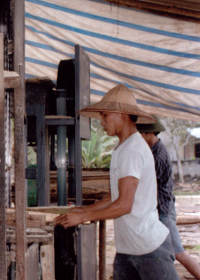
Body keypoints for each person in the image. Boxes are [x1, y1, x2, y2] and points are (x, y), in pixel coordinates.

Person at [54, 84, 179, 280]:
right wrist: (85, 211)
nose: (101, 122)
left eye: (105, 115)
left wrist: (86, 216)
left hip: (149, 248)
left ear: (122, 114)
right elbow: (116, 194)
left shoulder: (133, 150)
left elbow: (124, 205)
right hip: (128, 248)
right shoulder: (123, 147)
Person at [137, 117, 200, 279]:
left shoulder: (158, 155)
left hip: (163, 211)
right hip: (160, 210)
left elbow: (149, 187)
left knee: (179, 253)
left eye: (140, 134)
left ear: (149, 133)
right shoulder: (153, 151)